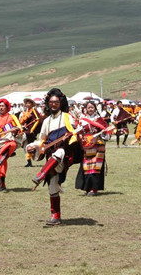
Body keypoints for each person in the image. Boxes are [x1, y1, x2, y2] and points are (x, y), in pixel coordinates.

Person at [27, 88, 83, 226]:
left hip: (65, 154)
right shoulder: (46, 121)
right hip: (50, 156)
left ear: (60, 103)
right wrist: (33, 146)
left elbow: (75, 133)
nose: (53, 104)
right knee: (53, 187)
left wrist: (74, 136)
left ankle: (40, 174)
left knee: (60, 152)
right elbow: (42, 140)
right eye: (51, 102)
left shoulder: (67, 117)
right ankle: (55, 217)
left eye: (56, 102)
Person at [75, 101, 110, 196]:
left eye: (92, 107)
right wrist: (81, 137)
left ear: (95, 108)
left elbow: (107, 132)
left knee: (95, 167)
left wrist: (104, 133)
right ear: (85, 109)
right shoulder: (82, 120)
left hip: (98, 146)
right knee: (87, 167)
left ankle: (94, 189)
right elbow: (78, 132)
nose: (90, 109)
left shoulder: (99, 120)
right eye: (88, 108)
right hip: (87, 147)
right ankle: (87, 188)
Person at [20, 96, 44, 167]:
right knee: (25, 146)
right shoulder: (26, 112)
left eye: (29, 103)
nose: (27, 104)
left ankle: (38, 155)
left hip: (30, 131)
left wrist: (32, 129)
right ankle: (29, 162)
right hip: (26, 129)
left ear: (31, 104)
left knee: (28, 144)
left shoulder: (34, 110)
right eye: (27, 103)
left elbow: (37, 119)